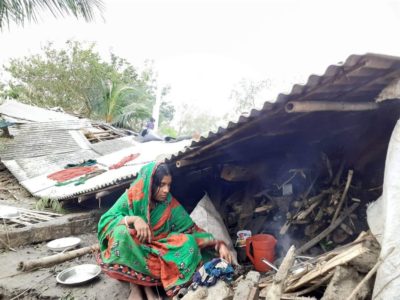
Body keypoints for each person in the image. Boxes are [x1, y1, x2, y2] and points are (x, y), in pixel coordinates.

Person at [97, 162, 233, 300]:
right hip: (137, 247)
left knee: (188, 242)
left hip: (161, 247)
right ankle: (138, 286)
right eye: (161, 185)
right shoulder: (132, 196)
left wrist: (218, 244)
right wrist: (134, 220)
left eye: (169, 185)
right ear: (149, 184)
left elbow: (192, 230)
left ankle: (149, 287)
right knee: (121, 233)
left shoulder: (169, 203)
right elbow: (106, 220)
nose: (166, 190)